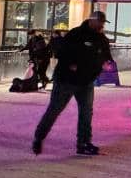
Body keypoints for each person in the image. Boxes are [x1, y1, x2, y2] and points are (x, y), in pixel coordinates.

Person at [32, 11, 112, 156]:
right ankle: (39, 137)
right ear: (91, 21)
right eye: (99, 22)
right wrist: (71, 64)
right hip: (67, 80)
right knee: (55, 109)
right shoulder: (76, 34)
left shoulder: (101, 39)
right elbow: (61, 51)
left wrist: (106, 63)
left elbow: (106, 55)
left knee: (86, 112)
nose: (101, 25)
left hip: (86, 81)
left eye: (103, 23)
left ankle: (84, 143)